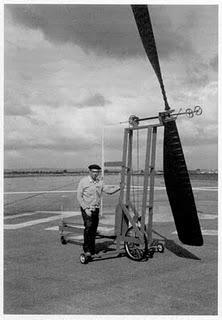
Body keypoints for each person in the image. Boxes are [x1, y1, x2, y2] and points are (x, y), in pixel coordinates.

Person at [77, 164, 120, 258]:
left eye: (97, 172)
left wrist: (119, 187)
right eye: (94, 172)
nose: (95, 174)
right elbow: (79, 197)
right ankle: (87, 250)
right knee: (88, 228)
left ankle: (92, 249)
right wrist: (85, 208)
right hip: (87, 208)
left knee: (93, 229)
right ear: (89, 172)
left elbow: (108, 191)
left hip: (96, 209)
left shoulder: (100, 182)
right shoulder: (83, 181)